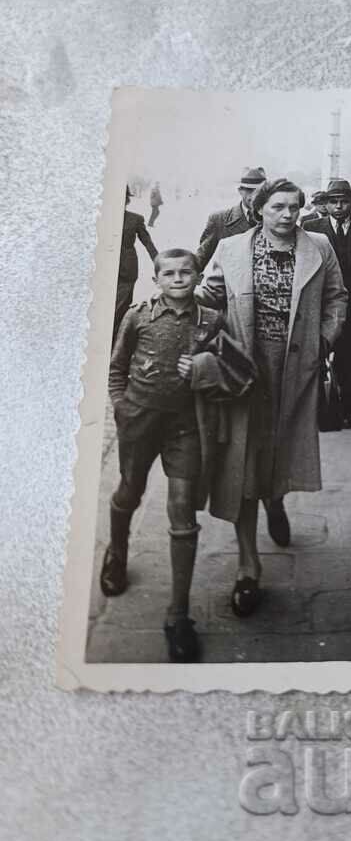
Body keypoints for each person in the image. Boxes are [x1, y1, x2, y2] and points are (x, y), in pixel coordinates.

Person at [197, 178, 348, 616]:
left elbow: (338, 298)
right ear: (258, 208)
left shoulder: (318, 246)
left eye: (294, 207)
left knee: (276, 452)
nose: (288, 215)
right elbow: (211, 300)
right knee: (242, 462)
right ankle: (248, 565)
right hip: (245, 369)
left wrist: (324, 340)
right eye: (278, 207)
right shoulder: (231, 249)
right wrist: (198, 303)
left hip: (295, 368)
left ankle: (275, 499)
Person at [102, 249, 226, 662]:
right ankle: (117, 551)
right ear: (156, 280)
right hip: (140, 422)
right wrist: (121, 406)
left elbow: (230, 370)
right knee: (129, 493)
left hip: (186, 426)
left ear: (198, 275)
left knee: (182, 511)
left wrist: (205, 368)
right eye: (168, 273)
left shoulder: (210, 319)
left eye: (185, 272)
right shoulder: (137, 316)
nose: (177, 278)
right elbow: (116, 367)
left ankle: (178, 615)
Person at [305, 177, 351, 428]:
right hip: (322, 306)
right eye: (333, 202)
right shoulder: (310, 227)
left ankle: (346, 408)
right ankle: (320, 408)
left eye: (344, 201)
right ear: (325, 204)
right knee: (318, 356)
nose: (339, 206)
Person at [195, 165, 266, 271]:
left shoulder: (273, 219)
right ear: (240, 190)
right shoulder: (219, 220)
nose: (255, 195)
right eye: (249, 190)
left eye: (259, 191)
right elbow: (199, 261)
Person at [113, 187, 158, 342]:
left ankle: (117, 342)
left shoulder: (135, 219)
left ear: (127, 200)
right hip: (104, 271)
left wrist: (159, 263)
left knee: (120, 309)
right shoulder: (101, 216)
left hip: (126, 271)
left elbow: (147, 242)